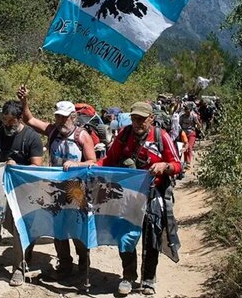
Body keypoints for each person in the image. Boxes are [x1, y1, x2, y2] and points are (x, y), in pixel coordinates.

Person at [98, 102, 181, 296]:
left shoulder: (161, 137)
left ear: (151, 118)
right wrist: (90, 166)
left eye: (142, 119)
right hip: (127, 195)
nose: (137, 123)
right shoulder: (124, 135)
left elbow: (177, 164)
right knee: (125, 235)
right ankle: (128, 276)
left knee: (151, 237)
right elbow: (109, 160)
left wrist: (163, 166)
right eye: (134, 119)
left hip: (153, 194)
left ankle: (148, 279)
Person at [17, 86, 97, 279]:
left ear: (73, 117)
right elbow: (29, 120)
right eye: (57, 116)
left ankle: (84, 265)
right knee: (58, 228)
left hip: (77, 189)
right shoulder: (52, 131)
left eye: (64, 117)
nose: (60, 120)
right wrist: (24, 101)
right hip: (54, 188)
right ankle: (65, 265)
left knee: (78, 227)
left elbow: (93, 162)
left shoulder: (82, 136)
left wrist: (76, 164)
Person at [0, 100, 44, 286]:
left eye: (11, 121)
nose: (6, 124)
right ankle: (26, 249)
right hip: (4, 188)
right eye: (4, 119)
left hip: (26, 189)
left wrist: (18, 167)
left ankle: (18, 269)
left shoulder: (32, 137)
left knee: (18, 228)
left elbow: (37, 166)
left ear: (20, 119)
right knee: (10, 226)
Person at [179, 102, 201, 168]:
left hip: (191, 133)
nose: (187, 113)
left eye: (188, 111)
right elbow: (179, 124)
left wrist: (198, 126)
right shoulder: (182, 117)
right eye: (186, 111)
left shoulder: (194, 116)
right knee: (185, 147)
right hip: (184, 133)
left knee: (189, 147)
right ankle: (185, 161)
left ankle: (188, 161)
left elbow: (198, 124)